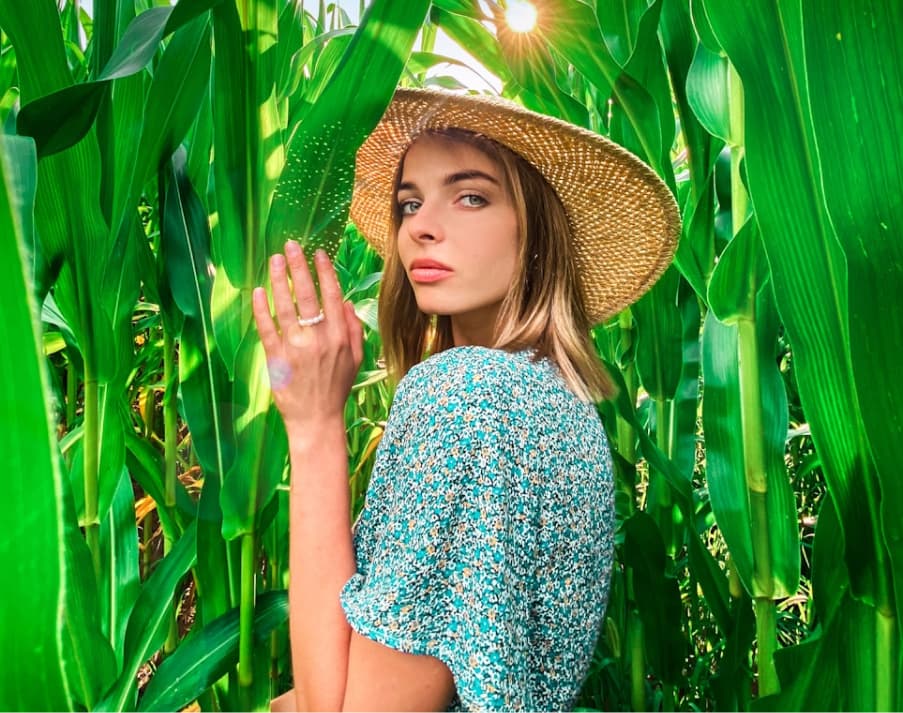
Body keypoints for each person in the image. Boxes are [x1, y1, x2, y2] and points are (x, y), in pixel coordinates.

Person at [255, 88, 680, 711]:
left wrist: (315, 426)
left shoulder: (469, 396)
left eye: (471, 196)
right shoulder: (563, 407)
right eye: (409, 203)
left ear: (536, 232)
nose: (422, 226)